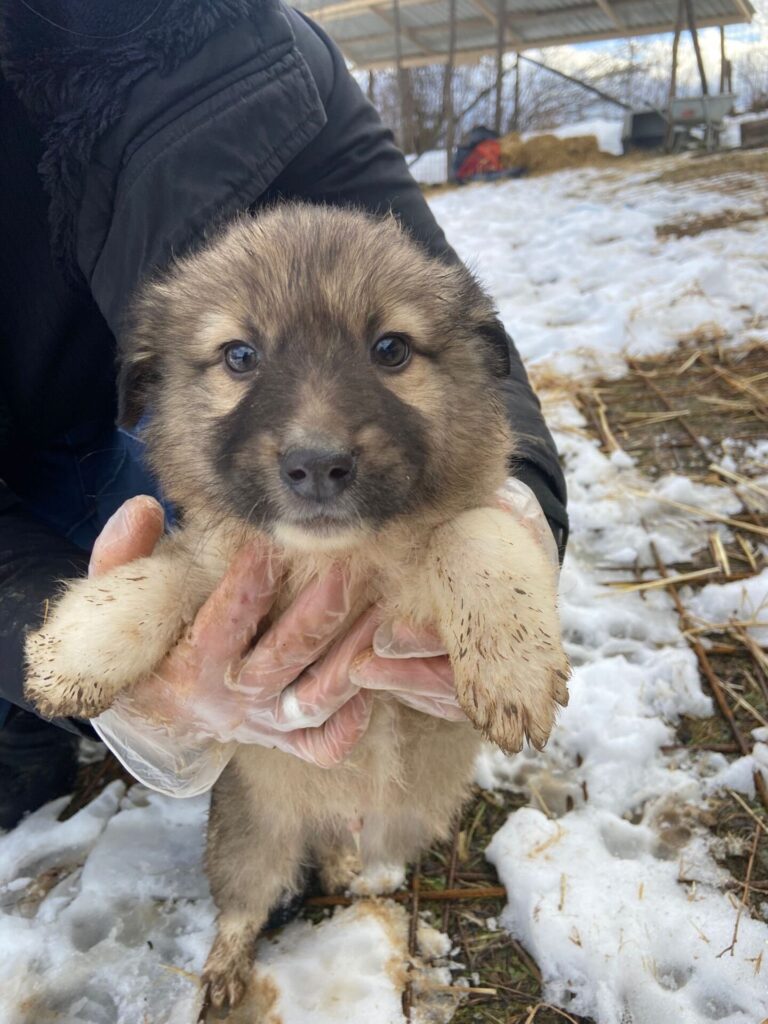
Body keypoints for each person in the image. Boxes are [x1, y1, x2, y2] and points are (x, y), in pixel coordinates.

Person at [0, 0, 568, 830]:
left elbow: (466, 335)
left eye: (389, 352)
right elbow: (188, 568)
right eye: (240, 357)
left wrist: (522, 509)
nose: (317, 443)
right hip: (71, 446)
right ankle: (24, 728)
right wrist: (45, 640)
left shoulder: (252, 42)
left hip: (121, 428)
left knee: (163, 533)